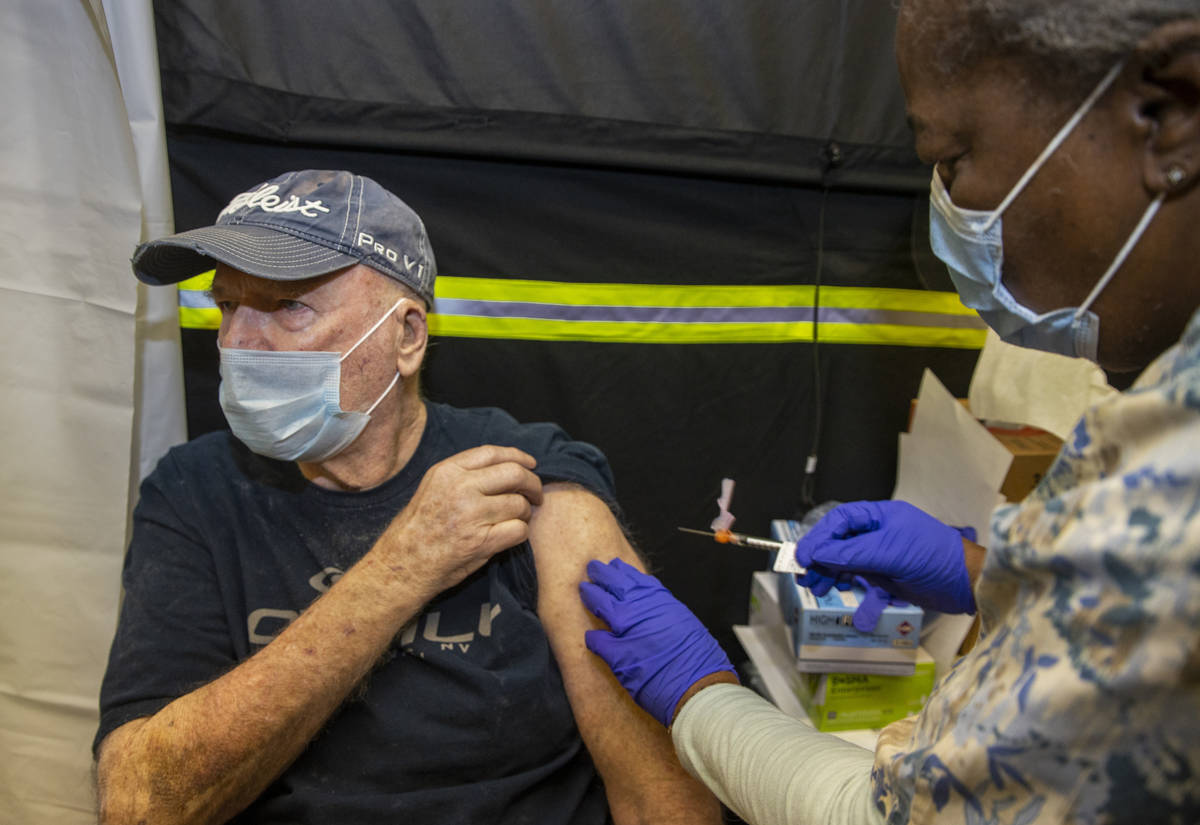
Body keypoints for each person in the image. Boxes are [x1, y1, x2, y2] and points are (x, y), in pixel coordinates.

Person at [579, 2, 1200, 823]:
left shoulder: (1175, 481)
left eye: (952, 158)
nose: (949, 213)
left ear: (1166, 115)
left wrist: (698, 697)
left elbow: (892, 816)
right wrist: (981, 571)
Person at [93, 169, 721, 825]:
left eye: (288, 308)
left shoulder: (524, 476)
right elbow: (141, 803)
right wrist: (400, 566)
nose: (239, 343)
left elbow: (661, 796)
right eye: (227, 306)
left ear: (408, 336)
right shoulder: (194, 494)